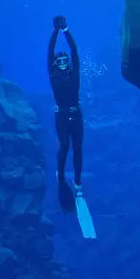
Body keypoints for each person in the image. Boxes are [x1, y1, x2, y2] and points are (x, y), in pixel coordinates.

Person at [47, 15, 83, 213]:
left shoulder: (74, 72)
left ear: (68, 62)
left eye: (64, 59)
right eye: (59, 60)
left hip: (76, 114)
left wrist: (66, 30)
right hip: (61, 115)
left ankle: (77, 181)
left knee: (77, 147)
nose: (62, 61)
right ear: (55, 63)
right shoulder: (53, 74)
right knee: (64, 145)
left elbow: (74, 51)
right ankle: (61, 178)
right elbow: (50, 51)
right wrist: (55, 31)